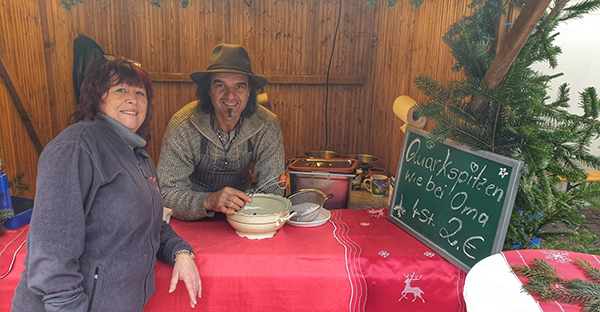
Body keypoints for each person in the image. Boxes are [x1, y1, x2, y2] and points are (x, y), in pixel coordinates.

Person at [11, 57, 202, 311]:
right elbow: (51, 258)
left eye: (140, 92)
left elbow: (150, 223)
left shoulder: (138, 155)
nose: (132, 98)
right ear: (97, 97)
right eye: (120, 90)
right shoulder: (76, 147)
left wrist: (180, 252)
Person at [158, 44, 287, 221]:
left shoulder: (267, 125)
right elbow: (165, 194)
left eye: (239, 86)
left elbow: (273, 190)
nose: (230, 95)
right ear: (209, 90)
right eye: (220, 85)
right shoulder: (183, 125)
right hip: (191, 219)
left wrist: (237, 203)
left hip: (246, 215)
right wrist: (209, 200)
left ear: (249, 92)